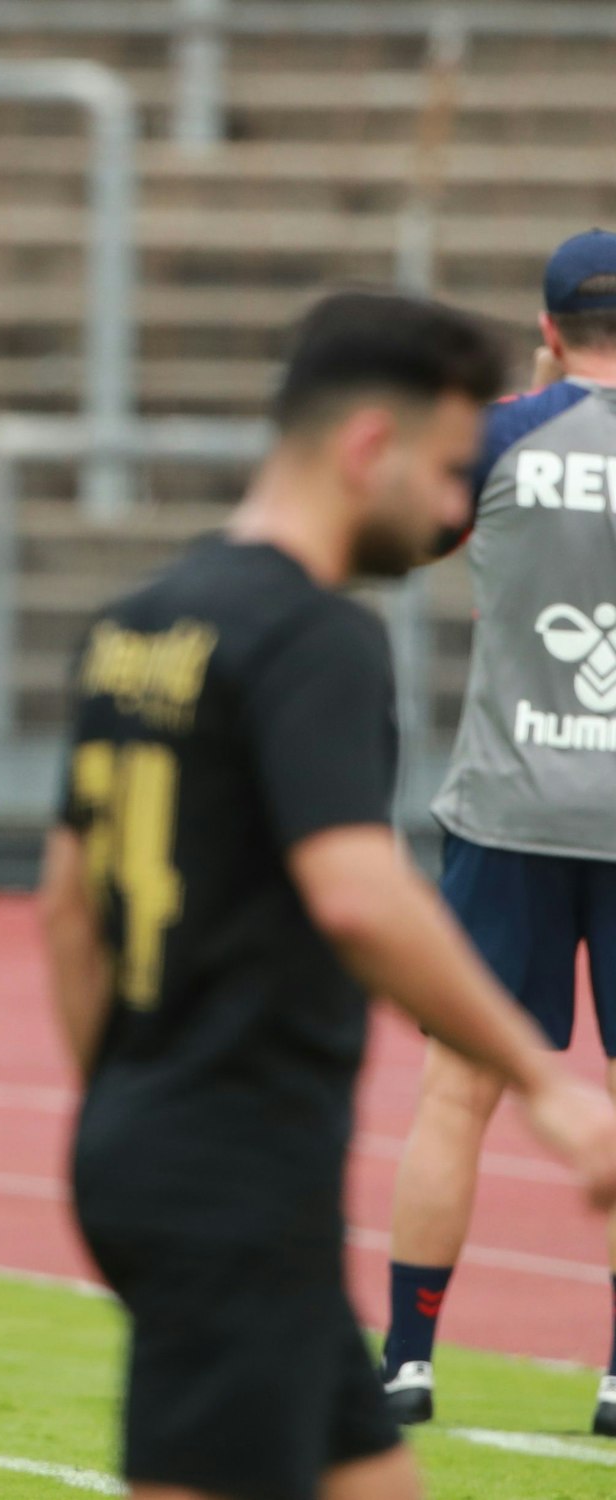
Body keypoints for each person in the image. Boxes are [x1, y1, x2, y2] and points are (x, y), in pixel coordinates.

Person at [38, 289, 616, 1500]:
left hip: (161, 1136)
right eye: (450, 468)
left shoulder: (140, 620)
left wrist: (126, 1096)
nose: (455, 506)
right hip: (234, 1155)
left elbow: (66, 909)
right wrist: (545, 1088)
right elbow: (355, 892)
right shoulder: (316, 636)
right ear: (369, 448)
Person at [381, 231, 616, 1435]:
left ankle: (406, 1361)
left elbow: (402, 540)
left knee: (456, 1089)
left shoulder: (501, 434)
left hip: (510, 802)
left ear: (546, 328)